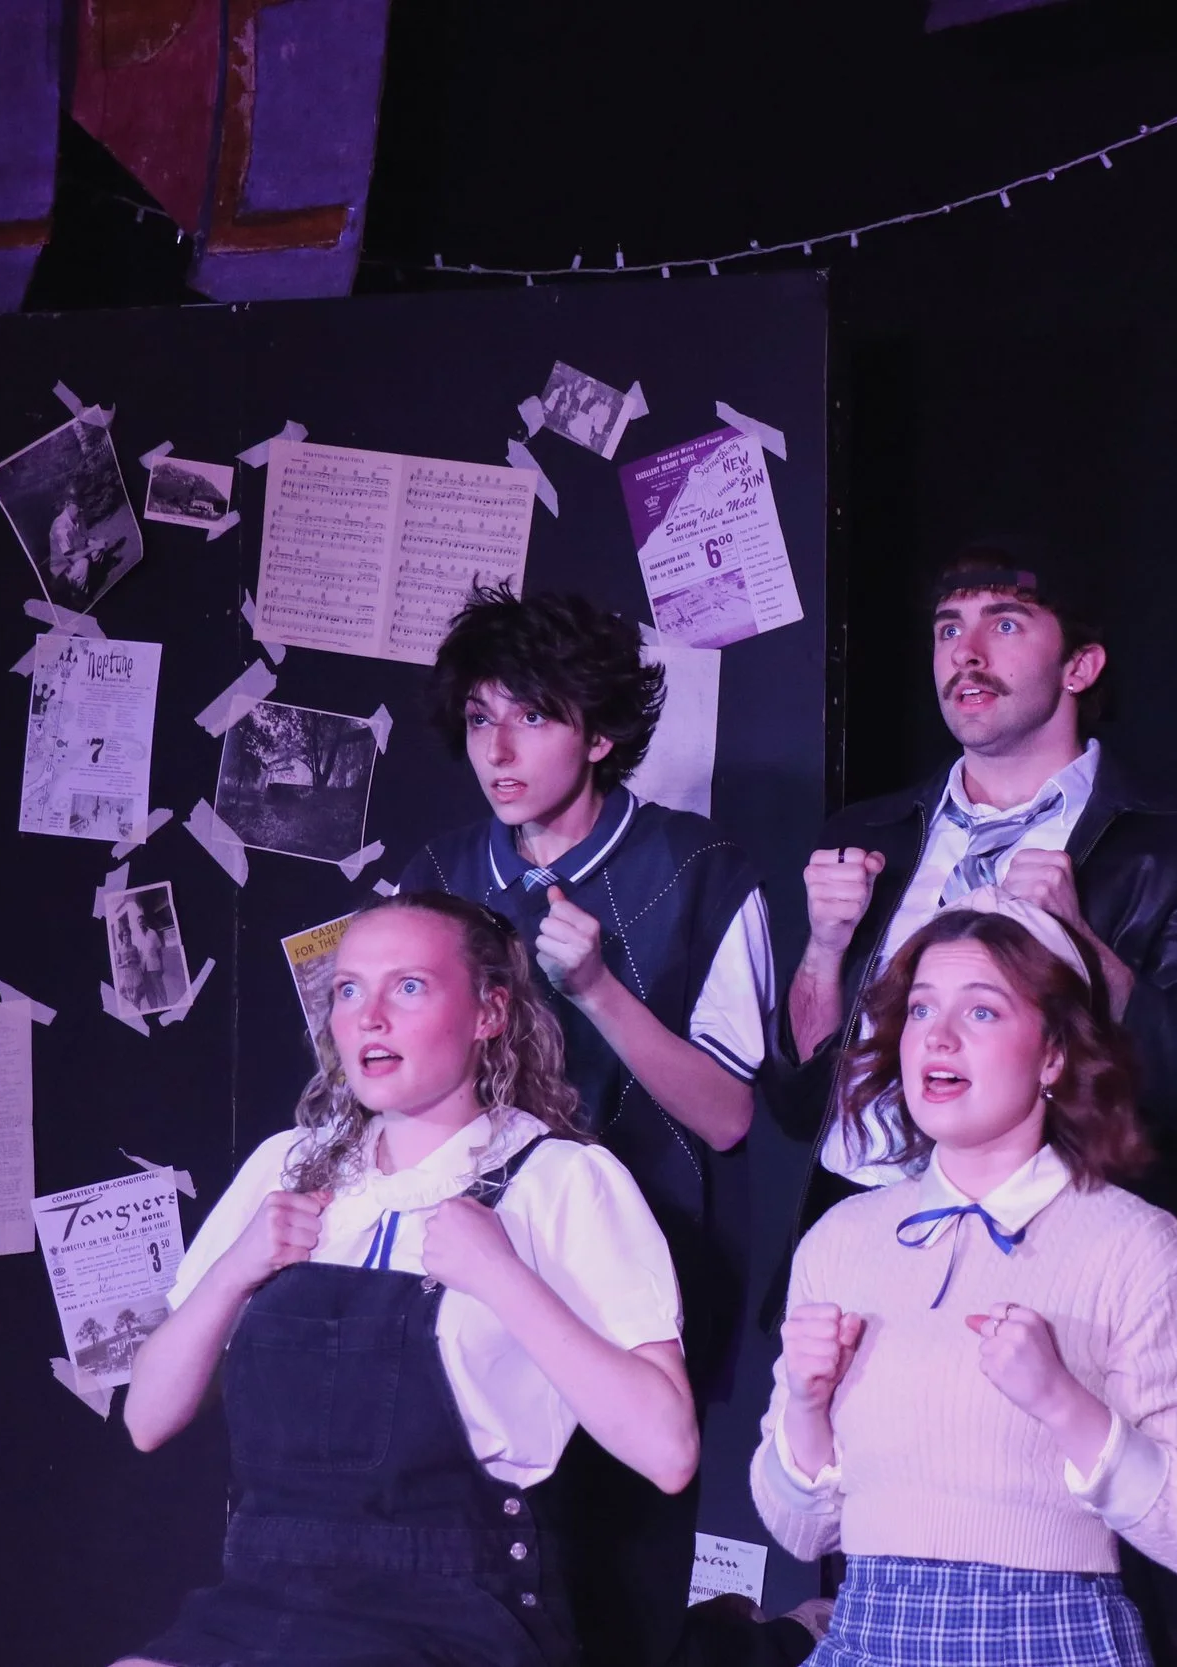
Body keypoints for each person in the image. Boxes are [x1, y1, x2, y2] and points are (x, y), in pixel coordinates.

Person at [772, 542, 1177, 1662]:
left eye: (1004, 623)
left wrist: (1082, 939)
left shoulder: (1173, 836)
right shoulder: (870, 832)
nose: (965, 652)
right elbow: (808, 1094)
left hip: (1057, 1238)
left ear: (1081, 665)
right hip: (881, 1244)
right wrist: (826, 947)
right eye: (947, 626)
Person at [119, 893, 697, 1667]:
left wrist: (501, 1277)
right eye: (349, 989)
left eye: (410, 986)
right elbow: (147, 1419)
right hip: (264, 1597)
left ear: (489, 1012)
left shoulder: (564, 1180)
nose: (370, 1017)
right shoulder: (284, 1166)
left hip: (459, 1612)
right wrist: (234, 1268)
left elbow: (668, 1449)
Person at [391, 585, 772, 1665]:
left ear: (599, 734)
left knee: (619, 1602)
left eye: (533, 715)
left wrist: (599, 988)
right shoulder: (438, 876)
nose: (499, 747)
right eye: (480, 716)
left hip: (637, 1278)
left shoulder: (702, 870)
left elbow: (729, 1115)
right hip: (463, 1272)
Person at [753, 894, 1177, 1667]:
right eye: (920, 1009)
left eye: (981, 1011)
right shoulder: (841, 1241)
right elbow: (799, 1530)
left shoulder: (1135, 1248)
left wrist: (1064, 1402)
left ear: (1053, 1055)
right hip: (866, 1636)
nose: (937, 1035)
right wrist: (807, 1408)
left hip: (1051, 1640)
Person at [111, 887, 188, 1012]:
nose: (141, 924)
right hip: (143, 970)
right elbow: (137, 954)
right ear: (138, 924)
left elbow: (159, 950)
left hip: (155, 967)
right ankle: (154, 1011)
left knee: (160, 989)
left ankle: (167, 1009)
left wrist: (161, 966)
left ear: (145, 922)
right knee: (149, 993)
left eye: (143, 922)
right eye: (139, 923)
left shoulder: (153, 933)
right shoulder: (137, 937)